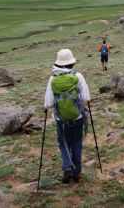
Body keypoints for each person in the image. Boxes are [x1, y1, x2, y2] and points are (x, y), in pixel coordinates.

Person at [44, 49, 91, 184]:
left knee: (63, 144)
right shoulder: (78, 76)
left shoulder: (53, 78)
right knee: (77, 143)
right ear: (71, 63)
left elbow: (48, 103)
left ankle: (67, 169)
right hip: (78, 118)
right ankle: (76, 173)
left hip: (61, 120)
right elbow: (86, 97)